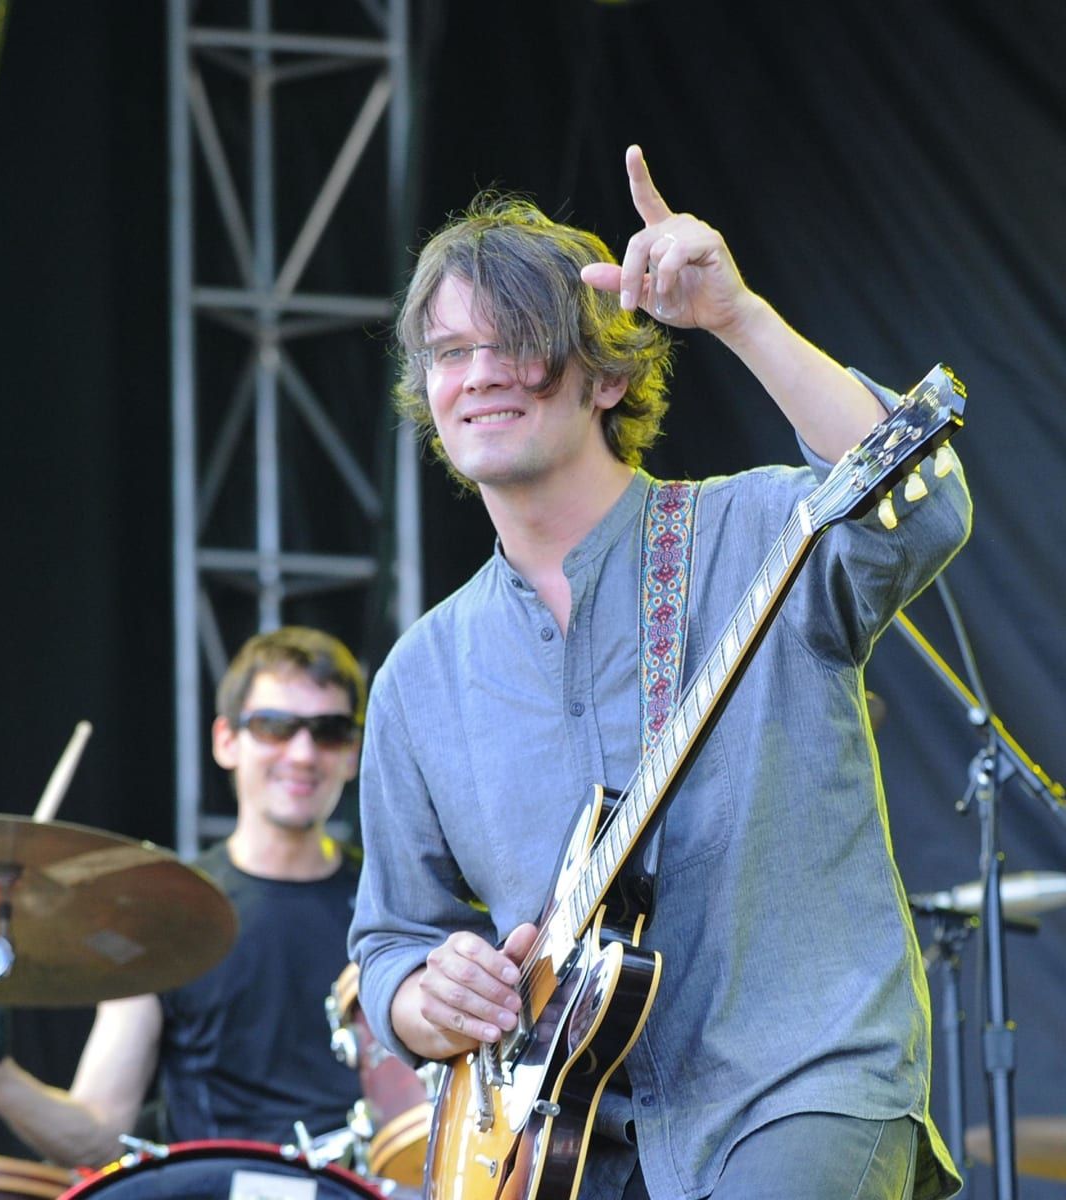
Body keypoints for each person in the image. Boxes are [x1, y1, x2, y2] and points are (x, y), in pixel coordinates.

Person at [348, 144, 971, 1200]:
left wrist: (738, 317)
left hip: (799, 1082)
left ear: (612, 373)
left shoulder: (757, 527)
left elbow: (923, 506)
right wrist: (424, 996)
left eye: (519, 343)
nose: (481, 373)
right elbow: (393, 937)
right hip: (568, 1141)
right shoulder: (421, 676)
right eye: (451, 353)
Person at [0, 625, 366, 1168]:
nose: (302, 753)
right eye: (275, 726)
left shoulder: (392, 908)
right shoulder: (166, 911)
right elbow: (97, 1138)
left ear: (353, 753)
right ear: (226, 740)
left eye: (330, 731)